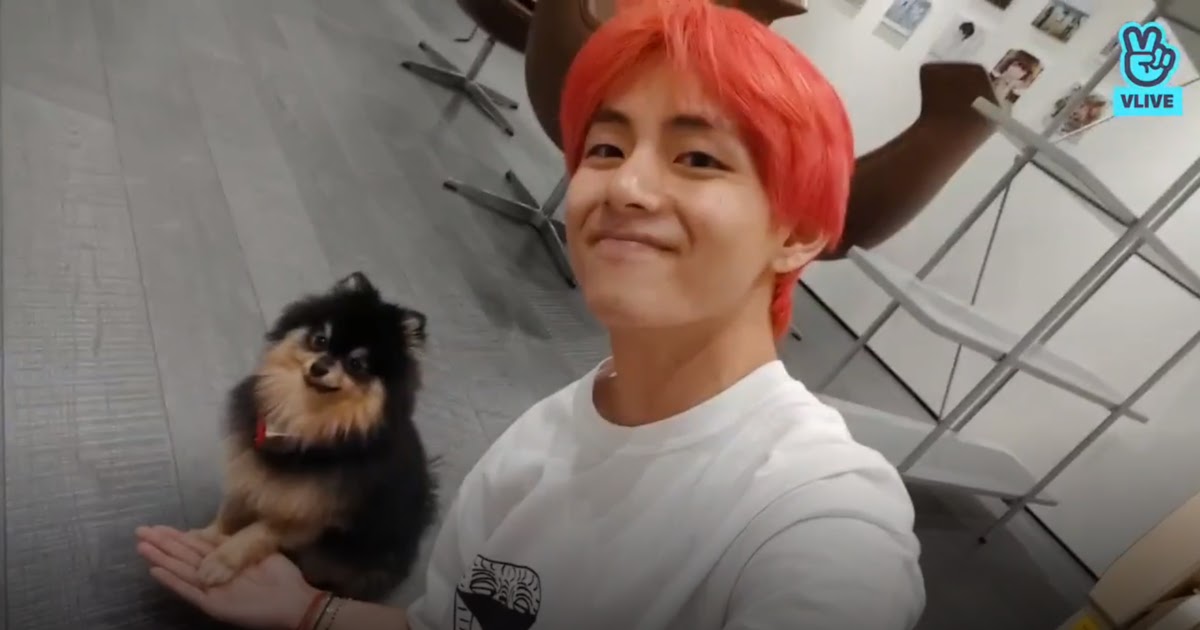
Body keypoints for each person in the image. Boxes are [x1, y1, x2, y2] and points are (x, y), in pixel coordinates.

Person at [135, 0, 926, 628]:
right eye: (606, 149)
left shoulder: (817, 506)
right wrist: (313, 611)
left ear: (798, 234)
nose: (625, 187)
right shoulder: (543, 435)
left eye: (697, 157)